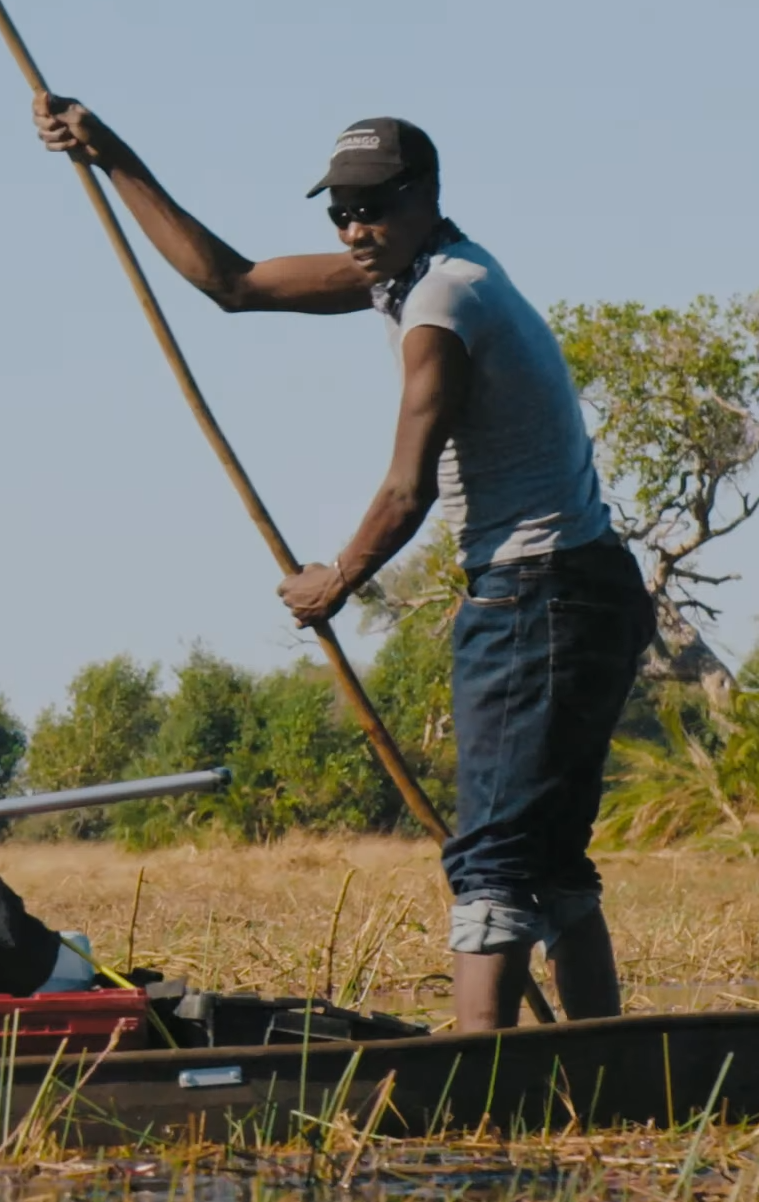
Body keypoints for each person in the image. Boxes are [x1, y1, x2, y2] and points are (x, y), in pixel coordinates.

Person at [34, 96, 655, 1031]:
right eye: (339, 213)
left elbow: (406, 491)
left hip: (541, 596)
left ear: (427, 197)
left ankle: (483, 1088)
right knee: (550, 859)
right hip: (585, 586)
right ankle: (607, 1062)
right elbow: (231, 282)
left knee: (491, 859)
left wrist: (336, 580)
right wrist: (113, 153)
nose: (355, 231)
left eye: (373, 209)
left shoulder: (441, 307)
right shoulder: (415, 273)